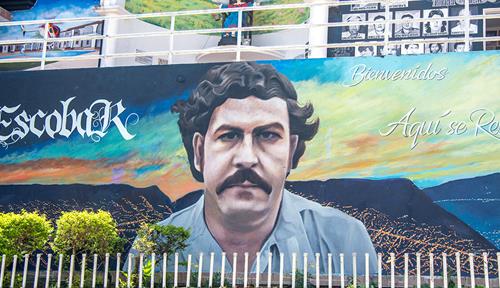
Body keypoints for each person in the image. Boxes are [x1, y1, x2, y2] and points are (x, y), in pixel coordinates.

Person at [136, 62, 377, 274]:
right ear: (199, 151)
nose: (247, 158)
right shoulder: (156, 245)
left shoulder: (343, 241)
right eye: (229, 135)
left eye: (268, 135)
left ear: (291, 151)